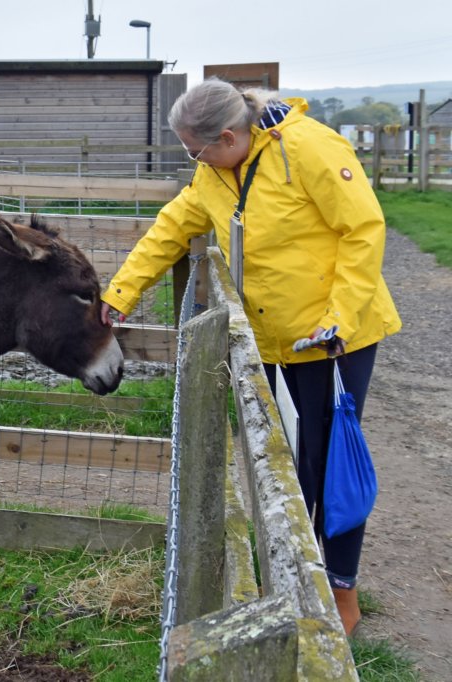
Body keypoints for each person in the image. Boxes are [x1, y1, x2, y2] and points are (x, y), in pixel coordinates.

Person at [99, 77, 402, 636]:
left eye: (196, 150)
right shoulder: (215, 171)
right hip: (271, 339)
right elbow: (172, 227)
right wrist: (120, 293)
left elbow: (362, 230)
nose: (194, 161)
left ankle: (342, 591)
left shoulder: (310, 147)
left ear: (227, 136)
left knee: (330, 461)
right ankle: (295, 578)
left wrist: (338, 316)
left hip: (331, 338)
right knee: (286, 461)